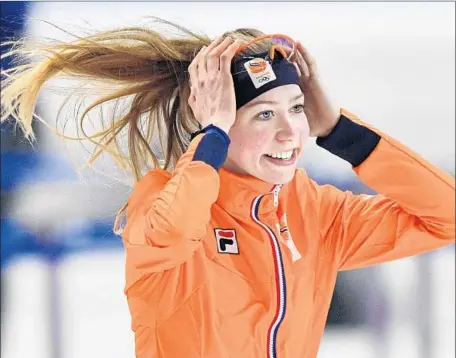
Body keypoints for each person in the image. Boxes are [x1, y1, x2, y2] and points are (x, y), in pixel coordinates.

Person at [1, 19, 454, 358]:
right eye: (262, 114)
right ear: (215, 122)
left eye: (295, 109)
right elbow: (172, 235)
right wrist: (210, 139)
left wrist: (339, 131)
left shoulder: (316, 212)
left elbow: (446, 215)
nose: (289, 133)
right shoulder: (160, 199)